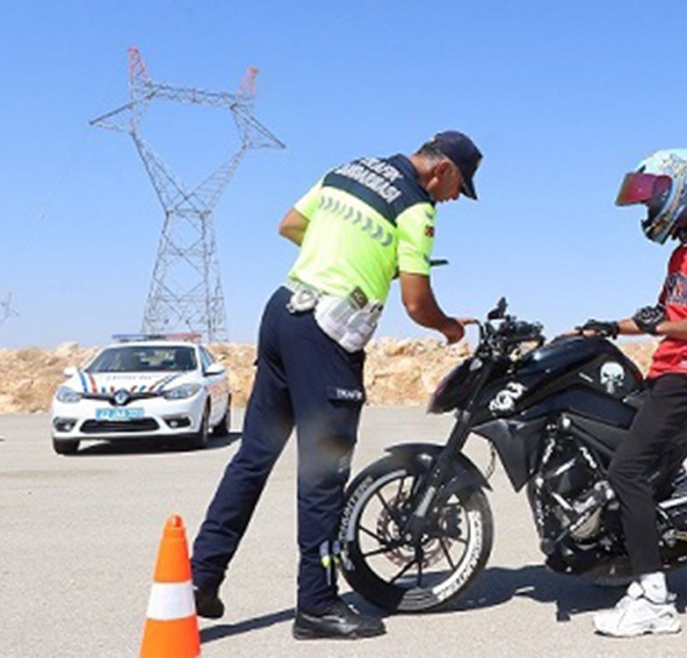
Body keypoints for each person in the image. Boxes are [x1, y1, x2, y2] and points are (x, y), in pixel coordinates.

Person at [189, 131, 482, 641]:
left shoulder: (349, 169)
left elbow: (291, 225)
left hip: (282, 313)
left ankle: (199, 578)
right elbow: (416, 303)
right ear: (443, 171)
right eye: (459, 187)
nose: (453, 198)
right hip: (326, 335)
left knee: (253, 457)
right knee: (324, 475)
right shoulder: (416, 208)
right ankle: (317, 605)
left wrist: (354, 253)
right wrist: (450, 327)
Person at [582, 148, 687, 638]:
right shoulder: (684, 251)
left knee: (627, 470)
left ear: (681, 189)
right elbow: (662, 316)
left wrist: (658, 327)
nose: (648, 209)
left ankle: (656, 601)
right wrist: (607, 326)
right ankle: (635, 562)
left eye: (653, 197)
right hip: (670, 370)